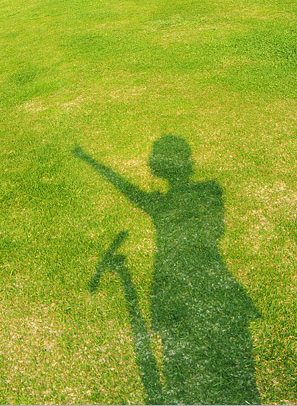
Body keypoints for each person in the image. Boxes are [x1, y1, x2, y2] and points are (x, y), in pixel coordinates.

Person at [75, 136, 260, 404]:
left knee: (182, 372)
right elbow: (215, 230)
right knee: (238, 373)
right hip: (219, 287)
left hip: (174, 297)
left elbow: (125, 187)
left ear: (158, 167)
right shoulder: (211, 191)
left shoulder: (161, 205)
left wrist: (87, 159)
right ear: (188, 163)